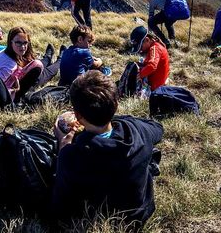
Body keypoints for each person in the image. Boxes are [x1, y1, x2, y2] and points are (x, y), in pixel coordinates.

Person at [52, 71, 164, 229]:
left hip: (97, 220)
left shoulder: (72, 155)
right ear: (116, 104)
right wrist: (126, 120)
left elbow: (60, 206)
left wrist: (62, 146)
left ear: (77, 115)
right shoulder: (137, 130)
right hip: (138, 215)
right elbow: (158, 128)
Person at [0, 27, 60, 103]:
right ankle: (59, 59)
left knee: (38, 65)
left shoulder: (7, 52)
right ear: (10, 42)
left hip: (15, 80)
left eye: (25, 43)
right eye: (18, 43)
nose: (22, 47)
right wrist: (15, 90)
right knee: (44, 71)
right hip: (13, 93)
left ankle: (48, 57)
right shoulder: (10, 65)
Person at [129, 26, 170, 90]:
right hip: (160, 80)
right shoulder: (157, 44)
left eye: (141, 46)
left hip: (155, 86)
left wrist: (140, 75)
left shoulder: (155, 49)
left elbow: (152, 66)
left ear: (147, 40)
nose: (140, 50)